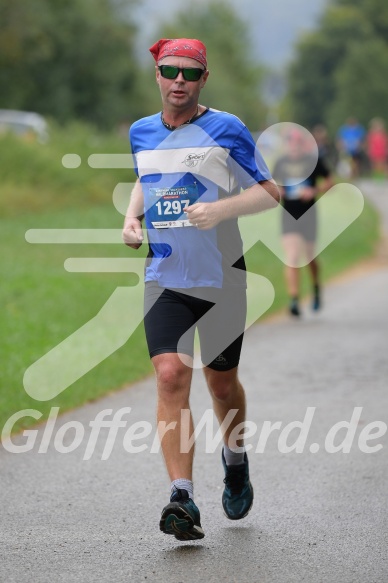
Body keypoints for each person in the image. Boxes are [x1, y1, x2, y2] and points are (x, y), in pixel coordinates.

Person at [122, 38, 279, 541]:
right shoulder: (141, 132)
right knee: (170, 375)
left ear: (203, 79)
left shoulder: (226, 128)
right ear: (157, 74)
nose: (179, 81)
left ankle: (234, 459)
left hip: (222, 277)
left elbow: (271, 191)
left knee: (220, 384)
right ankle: (182, 497)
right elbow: (146, 179)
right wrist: (130, 218)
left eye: (190, 73)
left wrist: (220, 210)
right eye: (170, 71)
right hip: (164, 276)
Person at [272, 127, 334, 317]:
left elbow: (330, 181)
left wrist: (314, 191)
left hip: (309, 214)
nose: (294, 147)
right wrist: (278, 191)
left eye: (298, 143)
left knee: (309, 257)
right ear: (287, 145)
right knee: (292, 256)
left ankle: (315, 288)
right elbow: (271, 185)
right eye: (291, 143)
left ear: (303, 145)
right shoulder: (280, 163)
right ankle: (294, 299)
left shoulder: (313, 161)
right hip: (288, 214)